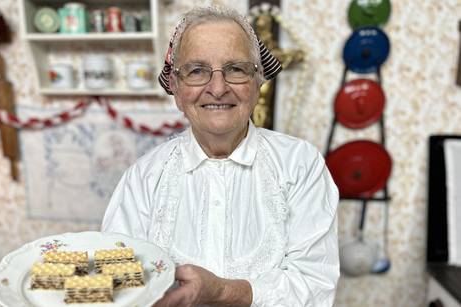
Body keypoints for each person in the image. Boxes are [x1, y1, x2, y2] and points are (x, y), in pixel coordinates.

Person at [102, 5, 339, 307]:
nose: (217, 88)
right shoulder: (143, 177)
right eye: (197, 71)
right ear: (176, 88)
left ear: (257, 82)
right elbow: (117, 283)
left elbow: (315, 287)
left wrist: (222, 292)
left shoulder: (300, 164)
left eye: (236, 69)